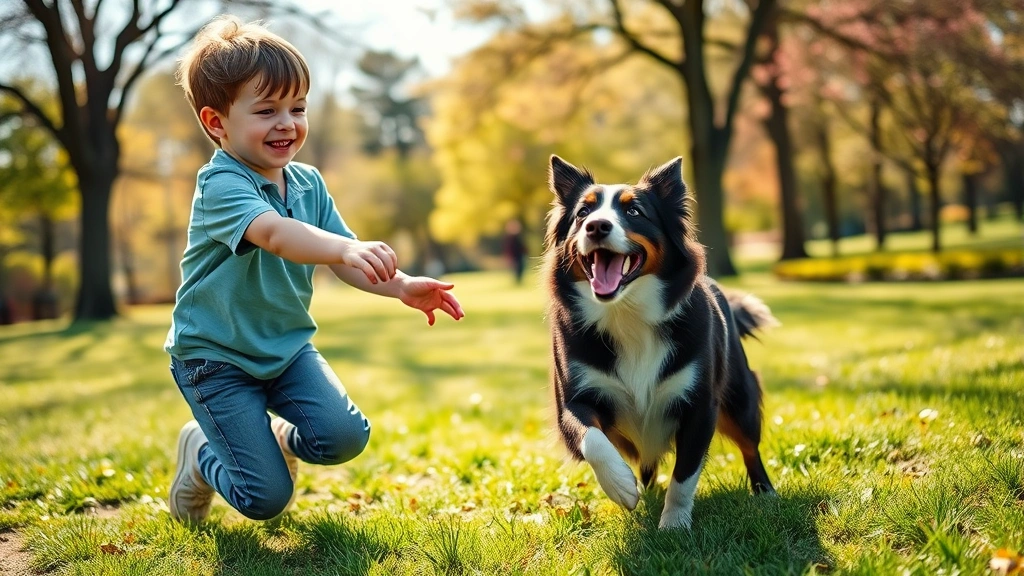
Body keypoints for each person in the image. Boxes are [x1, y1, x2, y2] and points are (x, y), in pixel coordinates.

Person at [164, 15, 464, 523]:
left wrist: (402, 285)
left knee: (345, 437)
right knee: (265, 499)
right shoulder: (221, 185)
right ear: (217, 123)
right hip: (215, 360)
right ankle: (200, 454)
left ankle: (276, 436)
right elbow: (278, 236)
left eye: (297, 108)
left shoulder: (307, 182)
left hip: (285, 349)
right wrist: (343, 250)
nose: (287, 123)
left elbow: (344, 257)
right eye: (266, 111)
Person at [503, 219, 527, 285]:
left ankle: (519, 281)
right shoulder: (510, 238)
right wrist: (509, 257)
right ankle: (517, 281)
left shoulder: (519, 236)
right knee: (517, 269)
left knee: (521, 268)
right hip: (515, 256)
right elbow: (509, 248)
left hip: (520, 255)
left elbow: (522, 246)